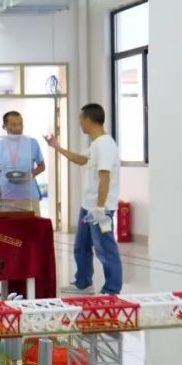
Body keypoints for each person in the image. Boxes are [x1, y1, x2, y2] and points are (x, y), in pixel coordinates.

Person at [45, 103, 123, 295]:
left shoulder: (105, 145)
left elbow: (105, 178)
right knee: (81, 246)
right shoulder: (95, 144)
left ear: (88, 120)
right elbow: (81, 160)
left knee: (105, 249)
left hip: (100, 208)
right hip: (87, 206)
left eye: (81, 119)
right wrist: (57, 147)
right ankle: (83, 282)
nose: (80, 123)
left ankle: (112, 289)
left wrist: (100, 208)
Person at [0, 111, 46, 214]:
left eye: (20, 124)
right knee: (9, 225)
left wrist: (29, 175)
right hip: (6, 197)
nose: (18, 128)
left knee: (33, 224)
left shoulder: (32, 142)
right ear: (4, 127)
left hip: (30, 197)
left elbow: (42, 166)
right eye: (13, 125)